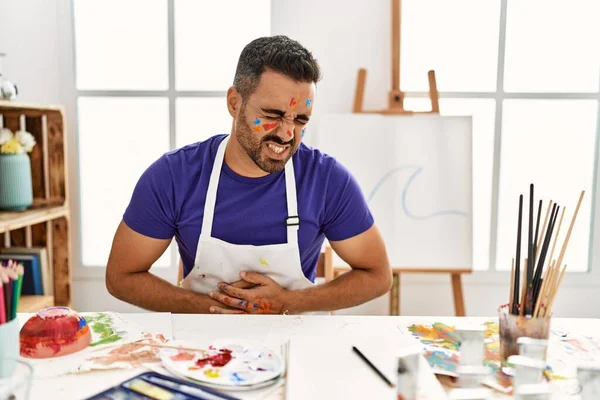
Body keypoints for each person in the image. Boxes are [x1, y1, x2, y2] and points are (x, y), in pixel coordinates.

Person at [105, 35, 392, 315]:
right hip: (201, 349)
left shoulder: (328, 181)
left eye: (301, 120)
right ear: (234, 103)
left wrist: (287, 303)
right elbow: (121, 277)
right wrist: (208, 308)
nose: (286, 134)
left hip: (294, 343)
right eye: (272, 115)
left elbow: (378, 275)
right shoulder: (173, 177)